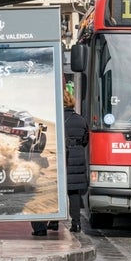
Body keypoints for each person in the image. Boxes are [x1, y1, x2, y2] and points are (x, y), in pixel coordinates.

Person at [32, 89, 89, 236]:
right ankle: (76, 224)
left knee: (53, 192)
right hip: (76, 159)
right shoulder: (80, 119)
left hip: (59, 158)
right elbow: (85, 140)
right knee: (73, 192)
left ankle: (53, 222)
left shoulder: (53, 118)